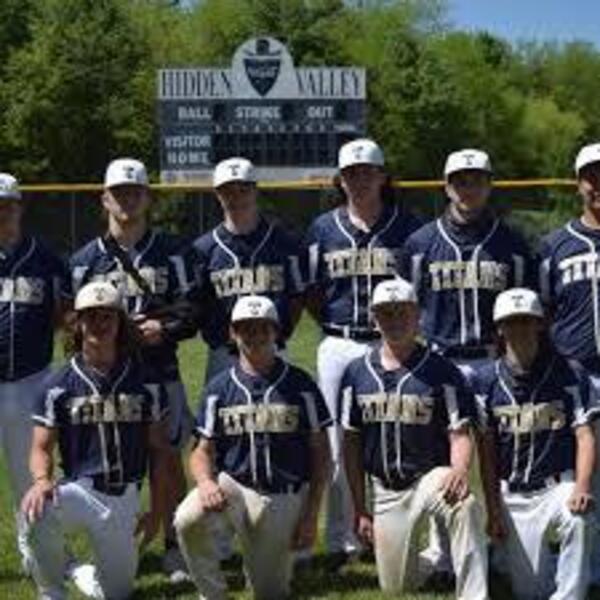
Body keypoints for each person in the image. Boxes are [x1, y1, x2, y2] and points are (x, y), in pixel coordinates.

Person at [399, 148, 534, 577]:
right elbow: (403, 306)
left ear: (489, 185)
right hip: (440, 359)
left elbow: (528, 308)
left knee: (503, 450)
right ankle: (444, 547)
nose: (468, 188)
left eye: (476, 180)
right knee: (442, 455)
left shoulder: (511, 243)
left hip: (494, 360)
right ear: (446, 186)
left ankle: (500, 537)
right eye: (460, 180)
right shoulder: (420, 244)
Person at [69, 157, 197, 580]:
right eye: (119, 193)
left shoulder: (175, 252)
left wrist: (166, 326)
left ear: (148, 198)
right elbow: (73, 320)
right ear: (105, 198)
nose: (127, 200)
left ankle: (177, 545)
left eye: (135, 192)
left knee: (170, 461)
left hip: (160, 371)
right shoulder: (86, 259)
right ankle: (122, 543)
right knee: (120, 462)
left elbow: (195, 308)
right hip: (110, 379)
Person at [304, 138, 422, 567]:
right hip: (338, 341)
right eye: (350, 173)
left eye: (367, 172)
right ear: (340, 179)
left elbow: (418, 287)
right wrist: (335, 329)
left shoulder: (407, 226)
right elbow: (313, 292)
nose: (358, 179)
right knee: (337, 443)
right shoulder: (322, 228)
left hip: (389, 343)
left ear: (382, 176)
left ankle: (395, 532)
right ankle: (343, 540)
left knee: (394, 437)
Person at [174, 295, 331, 600]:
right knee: (186, 519)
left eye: (263, 328)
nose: (255, 336)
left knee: (269, 593)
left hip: (283, 495)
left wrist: (311, 514)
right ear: (233, 333)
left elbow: (321, 453)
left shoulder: (300, 385)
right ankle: (214, 594)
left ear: (276, 332)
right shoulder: (219, 387)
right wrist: (206, 482)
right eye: (246, 329)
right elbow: (201, 451)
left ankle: (262, 563)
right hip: (234, 487)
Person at [340, 278, 488, 599]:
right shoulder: (355, 373)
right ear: (373, 319)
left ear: (417, 316)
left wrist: (459, 471)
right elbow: (350, 445)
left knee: (464, 504)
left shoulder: (442, 370)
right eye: (385, 314)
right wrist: (359, 508)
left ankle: (474, 593)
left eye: (402, 312)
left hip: (428, 478)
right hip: (385, 489)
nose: (394, 321)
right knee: (396, 587)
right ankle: (433, 565)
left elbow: (460, 433)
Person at [21, 281, 169, 600]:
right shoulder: (58, 384)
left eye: (107, 317)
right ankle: (51, 592)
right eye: (90, 317)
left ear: (121, 324)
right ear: (77, 322)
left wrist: (157, 509)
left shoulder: (146, 380)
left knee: (115, 595)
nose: (99, 325)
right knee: (36, 511)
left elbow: (159, 452)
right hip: (81, 490)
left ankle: (78, 571)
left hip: (124, 495)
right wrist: (42, 479)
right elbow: (40, 447)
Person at [476, 287, 596, 600]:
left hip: (556, 486)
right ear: (499, 328)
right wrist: (492, 508)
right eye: (511, 321)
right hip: (512, 492)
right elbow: (486, 454)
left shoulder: (569, 372)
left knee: (579, 516)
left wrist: (582, 486)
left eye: (527, 321)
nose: (520, 329)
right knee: (530, 591)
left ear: (540, 324)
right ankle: (515, 561)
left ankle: (571, 594)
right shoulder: (486, 380)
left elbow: (585, 435)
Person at [0, 172, 71, 573]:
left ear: (19, 208)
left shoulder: (45, 258)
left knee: (31, 472)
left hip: (30, 379)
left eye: (7, 205)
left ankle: (37, 548)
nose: (1, 212)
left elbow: (65, 316)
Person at [538, 141, 600, 584]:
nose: (599, 185)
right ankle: (586, 566)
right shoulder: (555, 245)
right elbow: (541, 314)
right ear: (578, 184)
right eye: (591, 176)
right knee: (581, 474)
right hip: (576, 372)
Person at [192, 156, 304, 384]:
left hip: (273, 349)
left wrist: (279, 333)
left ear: (255, 191)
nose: (236, 197)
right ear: (217, 194)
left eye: (243, 189)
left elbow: (297, 299)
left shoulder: (284, 243)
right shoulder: (203, 249)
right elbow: (198, 305)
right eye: (228, 191)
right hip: (224, 354)